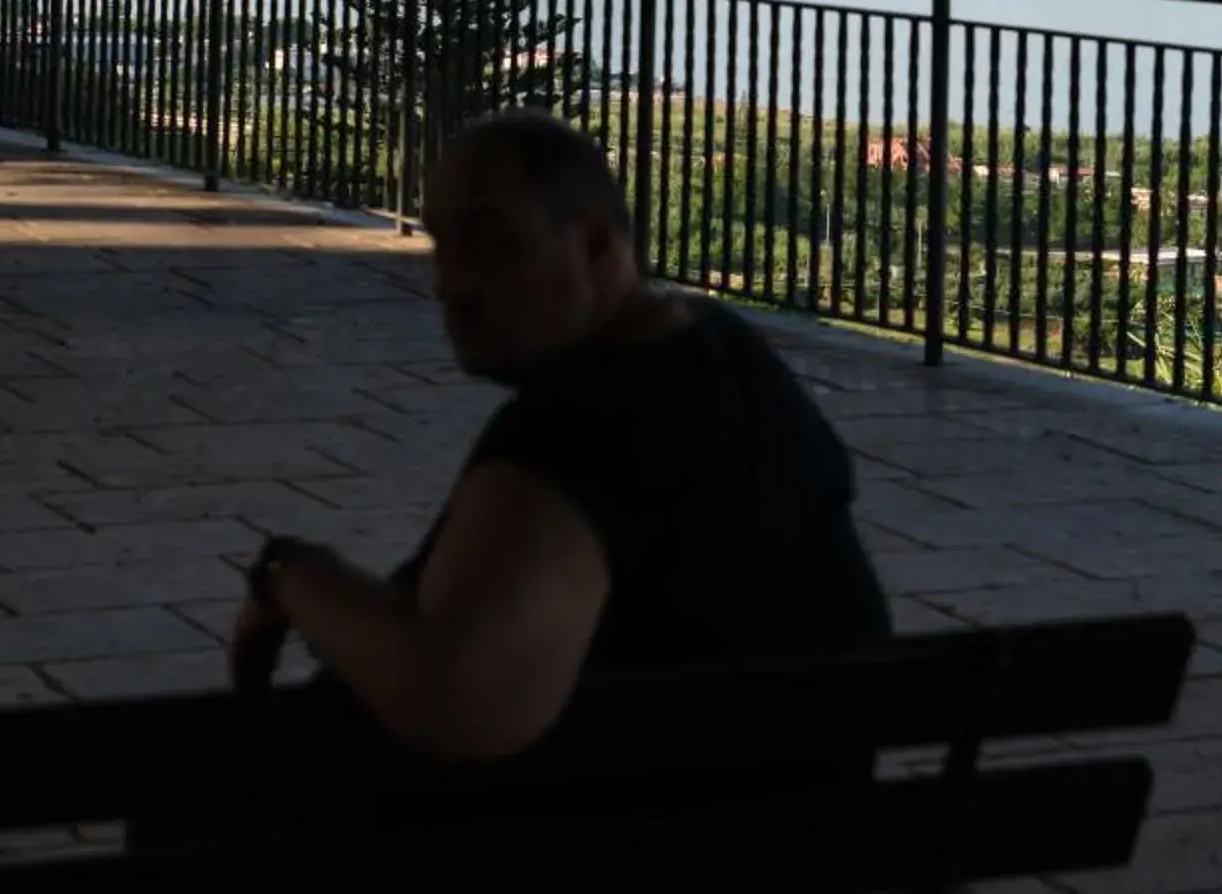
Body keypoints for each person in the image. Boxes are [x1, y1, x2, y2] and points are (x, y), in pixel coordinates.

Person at [226, 110, 890, 763]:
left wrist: (295, 576)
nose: (449, 284)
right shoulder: (729, 359)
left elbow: (458, 703)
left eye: (488, 244)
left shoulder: (577, 440)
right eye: (442, 244)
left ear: (596, 246)